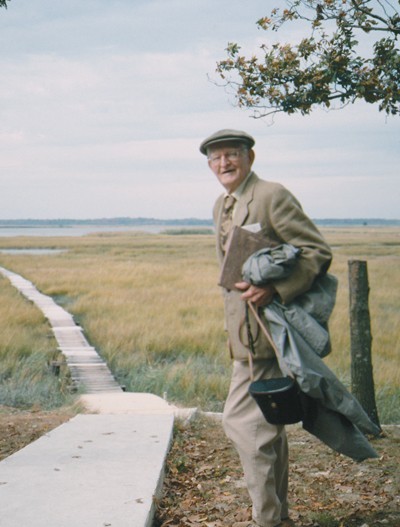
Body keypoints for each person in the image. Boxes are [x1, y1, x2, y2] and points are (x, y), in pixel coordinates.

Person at [199, 129, 333, 527]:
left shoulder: (271, 195)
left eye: (232, 155)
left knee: (242, 425)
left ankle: (267, 521)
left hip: (273, 335)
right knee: (268, 429)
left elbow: (315, 251)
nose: (224, 164)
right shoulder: (221, 204)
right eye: (216, 158)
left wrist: (275, 288)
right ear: (209, 165)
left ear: (249, 157)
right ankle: (279, 518)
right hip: (245, 338)